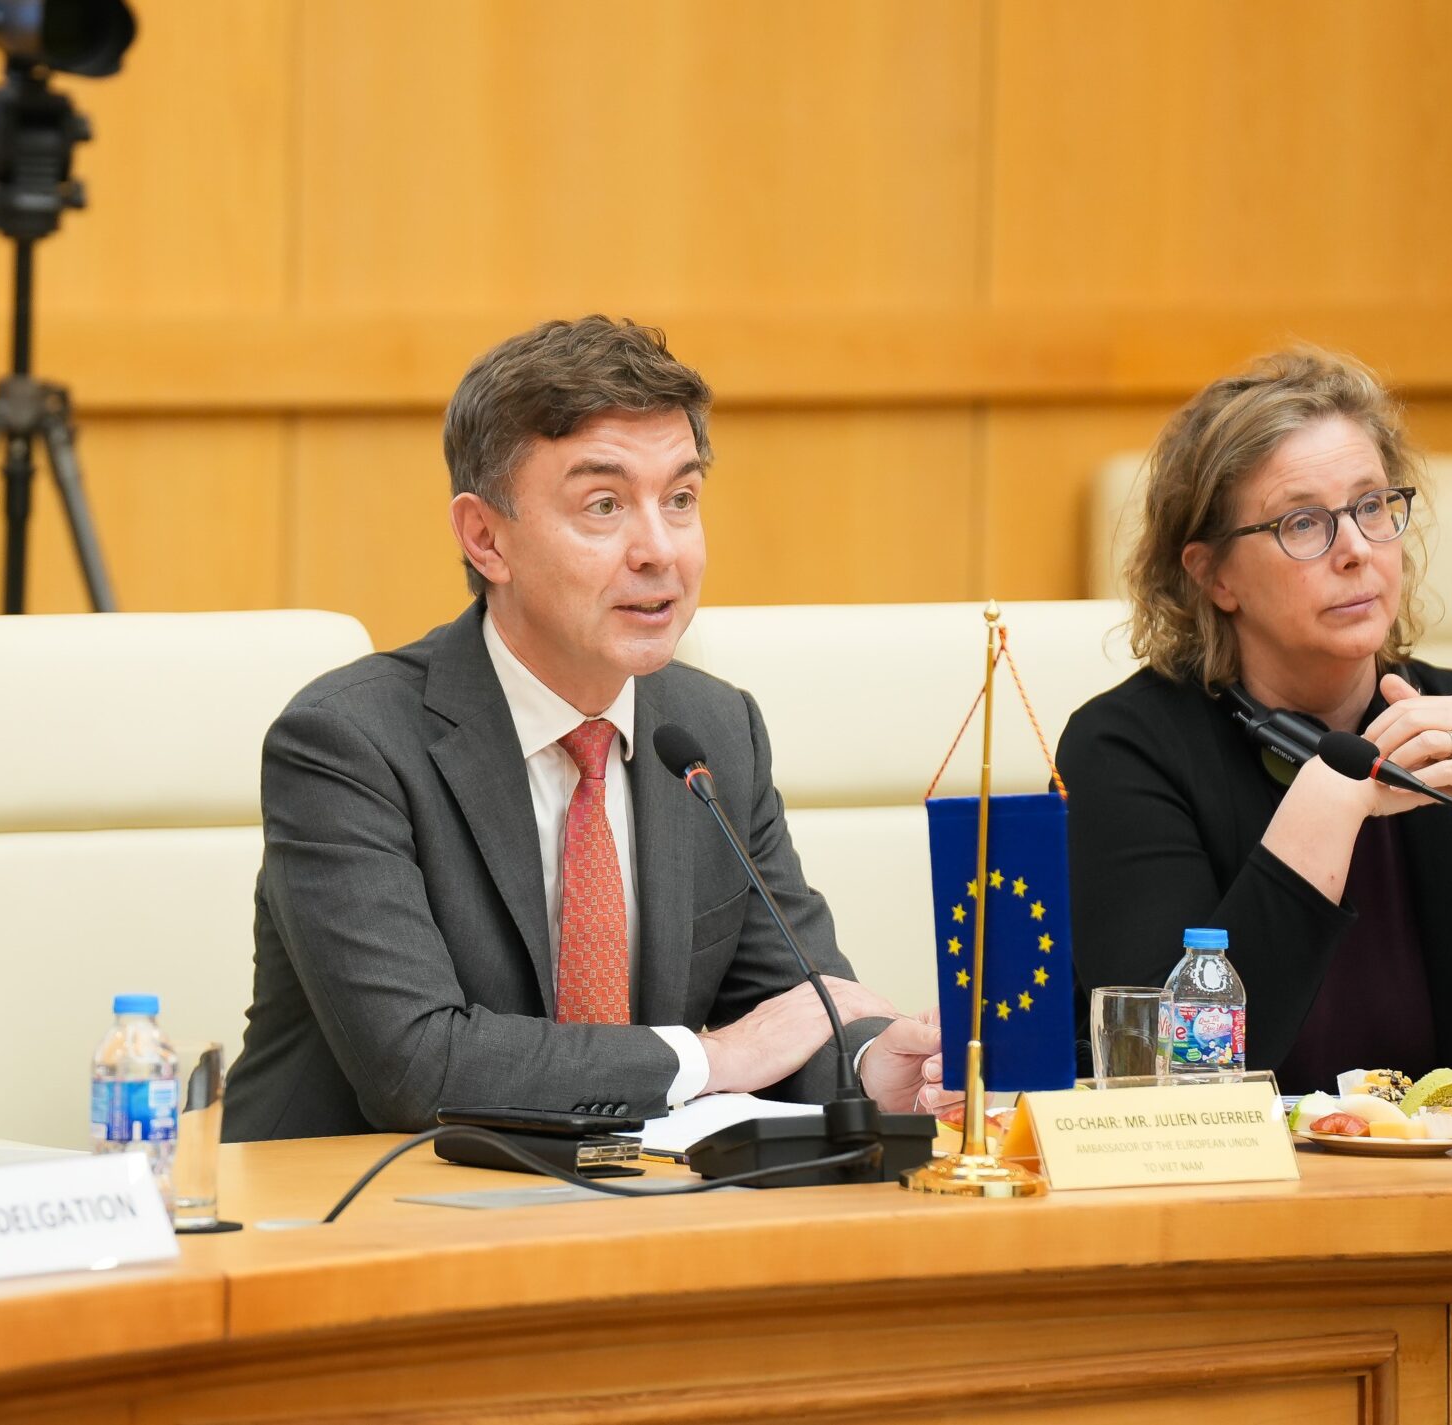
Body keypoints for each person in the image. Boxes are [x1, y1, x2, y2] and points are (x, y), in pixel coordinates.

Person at [227, 316, 944, 1141]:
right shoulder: (348, 744)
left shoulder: (713, 732)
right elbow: (416, 1067)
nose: (659, 550)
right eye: (604, 505)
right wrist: (708, 1057)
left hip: (619, 1198)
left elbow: (794, 1009)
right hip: (348, 1201)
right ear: (486, 538)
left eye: (680, 499)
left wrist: (871, 1069)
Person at [1060, 348, 1452, 1092]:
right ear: (1214, 575)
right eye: (1303, 523)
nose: (1358, 550)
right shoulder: (1122, 751)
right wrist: (1326, 807)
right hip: (1238, 1167)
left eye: (1371, 507)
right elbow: (1167, 1076)